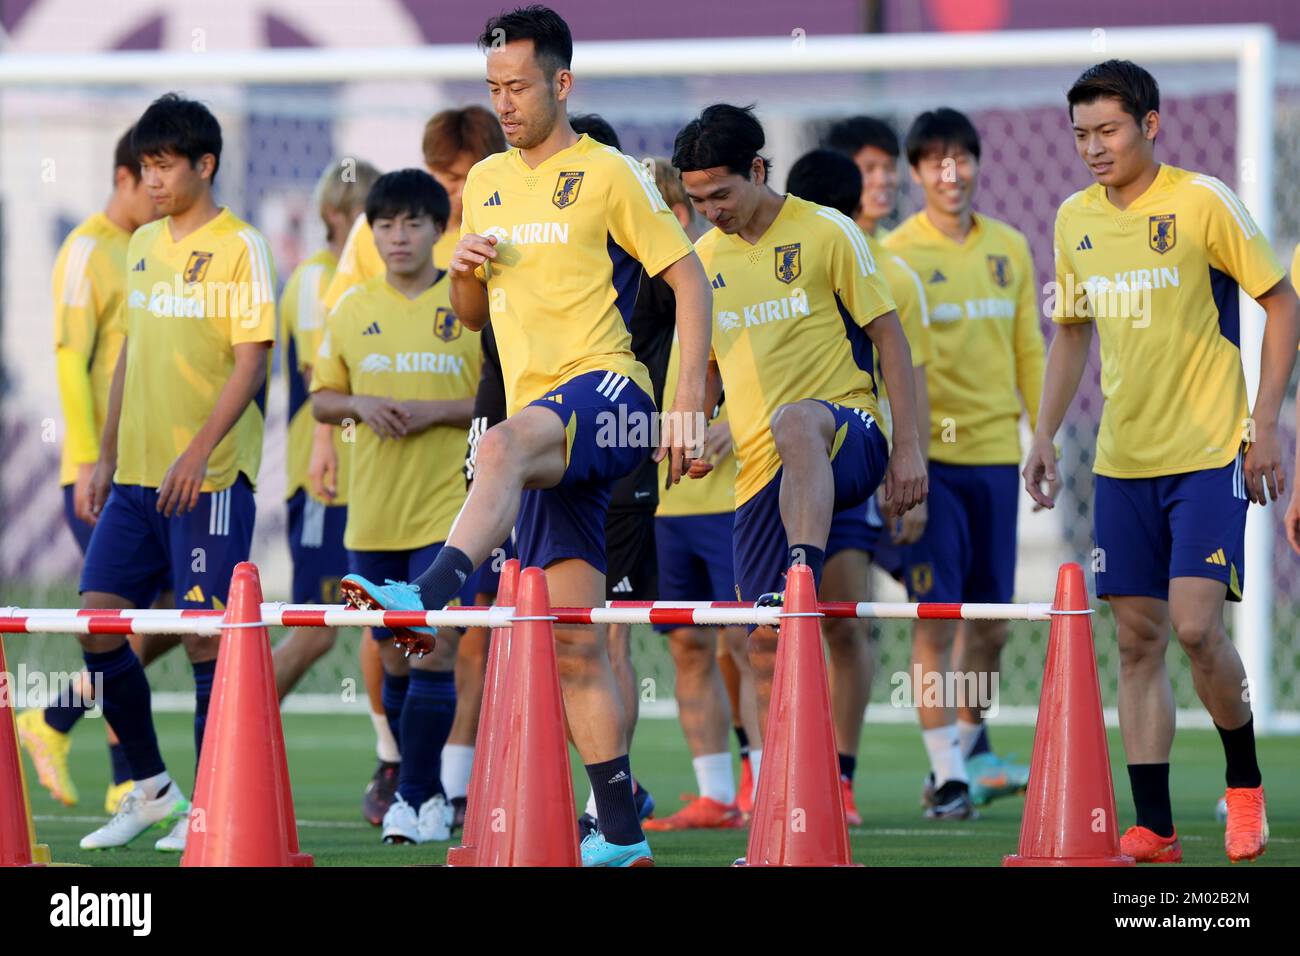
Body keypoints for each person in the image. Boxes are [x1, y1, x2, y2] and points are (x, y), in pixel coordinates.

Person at [340, 5, 712, 868]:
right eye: (492, 87)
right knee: (573, 638)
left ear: (562, 83)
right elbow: (474, 318)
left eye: (517, 86)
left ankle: (422, 593)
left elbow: (689, 281)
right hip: (549, 425)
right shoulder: (488, 183)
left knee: (498, 445)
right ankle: (621, 834)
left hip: (613, 395)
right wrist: (464, 275)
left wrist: (686, 395)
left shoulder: (610, 173)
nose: (504, 102)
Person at [1025, 59, 1299, 863]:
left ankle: (1243, 789)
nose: (1093, 149)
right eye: (1080, 135)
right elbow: (1070, 331)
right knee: (1136, 641)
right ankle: (1156, 826)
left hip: (1211, 450)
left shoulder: (1203, 201)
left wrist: (1268, 423)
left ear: (1151, 124)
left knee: (1194, 629)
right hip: (1121, 461)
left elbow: (1280, 301)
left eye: (1108, 130)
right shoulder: (1074, 217)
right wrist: (1043, 434)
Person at [673, 105, 927, 789]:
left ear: (758, 170)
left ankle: (801, 579)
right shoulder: (701, 261)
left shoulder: (827, 232)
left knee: (794, 423)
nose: (710, 212)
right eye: (696, 201)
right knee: (758, 643)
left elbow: (892, 344)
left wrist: (909, 453)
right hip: (762, 471)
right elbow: (707, 374)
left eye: (720, 195)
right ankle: (790, 798)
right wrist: (691, 428)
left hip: (850, 433)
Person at [76, 93, 277, 853]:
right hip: (133, 478)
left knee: (204, 640)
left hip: (212, 479)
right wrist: (103, 452)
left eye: (165, 165)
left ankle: (212, 811)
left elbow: (252, 361)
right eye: (146, 167)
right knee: (98, 624)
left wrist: (196, 452)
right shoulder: (141, 246)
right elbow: (129, 352)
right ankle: (156, 791)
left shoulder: (240, 246)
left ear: (205, 165)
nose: (153, 180)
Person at [317, 107, 506, 826]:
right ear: (372, 233)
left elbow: (492, 396)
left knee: (433, 645)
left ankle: (419, 796)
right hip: (372, 512)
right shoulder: (351, 307)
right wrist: (358, 407)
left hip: (443, 508)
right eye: (386, 225)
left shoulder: (467, 296)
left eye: (413, 224)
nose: (399, 237)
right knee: (392, 651)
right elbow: (322, 398)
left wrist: (435, 413)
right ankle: (411, 778)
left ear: (438, 229)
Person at [883, 108, 1044, 819]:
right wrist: (903, 462)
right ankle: (947, 774)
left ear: (977, 164)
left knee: (992, 624)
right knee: (935, 618)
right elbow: (890, 368)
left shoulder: (1009, 246)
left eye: (962, 159)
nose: (952, 174)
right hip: (932, 465)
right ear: (917, 174)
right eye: (936, 163)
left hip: (996, 458)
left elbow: (1030, 352)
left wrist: (1044, 438)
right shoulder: (895, 255)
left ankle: (968, 750)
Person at [18, 125, 164, 817]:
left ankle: (58, 725)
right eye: (152, 178)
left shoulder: (149, 250)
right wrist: (84, 463)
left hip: (142, 464)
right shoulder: (86, 250)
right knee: (123, 619)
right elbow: (71, 362)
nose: (163, 194)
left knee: (146, 622)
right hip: (100, 469)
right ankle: (117, 769)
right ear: (124, 176)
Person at [640, 157, 758, 832]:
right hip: (664, 506)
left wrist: (729, 427)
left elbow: (773, 367)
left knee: (749, 642)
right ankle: (715, 792)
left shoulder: (716, 269)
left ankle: (770, 784)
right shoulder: (626, 286)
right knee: (686, 646)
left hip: (732, 495)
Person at [273, 157, 380, 703]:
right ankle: (234, 728)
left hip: (370, 475)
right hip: (326, 476)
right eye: (368, 208)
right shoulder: (317, 279)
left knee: (385, 626)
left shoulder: (369, 282)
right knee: (317, 628)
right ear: (336, 213)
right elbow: (325, 376)